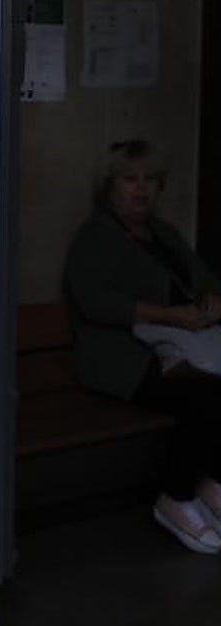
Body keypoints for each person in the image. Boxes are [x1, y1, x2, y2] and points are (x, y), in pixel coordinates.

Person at [64, 138, 221, 554]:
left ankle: (212, 485)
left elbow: (202, 278)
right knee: (200, 399)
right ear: (110, 187)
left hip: (176, 348)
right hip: (120, 359)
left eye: (151, 180)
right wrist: (170, 316)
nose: (142, 189)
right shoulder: (96, 236)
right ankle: (177, 497)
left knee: (212, 387)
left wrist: (209, 300)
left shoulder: (163, 234)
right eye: (130, 179)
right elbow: (94, 301)